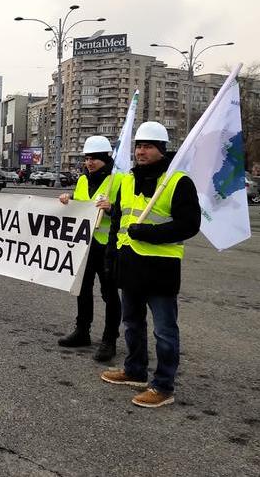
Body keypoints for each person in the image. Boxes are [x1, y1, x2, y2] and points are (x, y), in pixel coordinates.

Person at [98, 121, 201, 408]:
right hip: (129, 264)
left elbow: (189, 225)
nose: (141, 151)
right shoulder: (129, 180)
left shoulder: (178, 181)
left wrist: (150, 234)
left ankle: (163, 385)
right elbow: (120, 219)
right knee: (131, 322)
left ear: (161, 150)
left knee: (164, 330)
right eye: (139, 146)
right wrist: (111, 257)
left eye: (148, 146)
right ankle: (135, 370)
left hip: (160, 267)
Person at [57, 135, 122, 362]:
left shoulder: (119, 180)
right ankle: (82, 331)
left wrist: (113, 208)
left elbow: (131, 212)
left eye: (95, 158)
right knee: (83, 289)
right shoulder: (84, 180)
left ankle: (109, 339)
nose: (90, 162)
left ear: (106, 158)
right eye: (87, 158)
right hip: (84, 245)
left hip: (108, 247)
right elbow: (81, 201)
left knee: (109, 294)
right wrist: (69, 198)